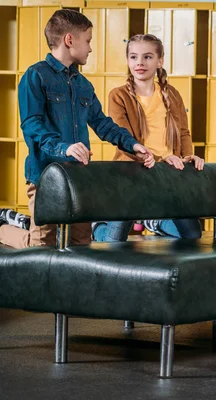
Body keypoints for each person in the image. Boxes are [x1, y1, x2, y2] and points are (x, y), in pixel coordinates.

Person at [0, 9, 154, 249]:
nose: (91, 48)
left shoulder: (83, 84)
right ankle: (5, 229)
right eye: (88, 41)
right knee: (41, 247)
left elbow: (102, 123)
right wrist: (65, 148)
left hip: (79, 179)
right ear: (69, 40)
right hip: (45, 177)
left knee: (81, 245)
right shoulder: (35, 77)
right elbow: (32, 126)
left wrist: (132, 144)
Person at [92, 34, 204, 242]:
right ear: (127, 61)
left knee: (192, 235)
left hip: (168, 175)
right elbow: (122, 137)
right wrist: (159, 159)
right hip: (131, 175)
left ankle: (155, 222)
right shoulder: (118, 96)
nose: (140, 63)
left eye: (148, 57)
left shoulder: (172, 94)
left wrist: (188, 157)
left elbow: (183, 132)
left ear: (160, 61)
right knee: (113, 241)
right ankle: (98, 226)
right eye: (133, 57)